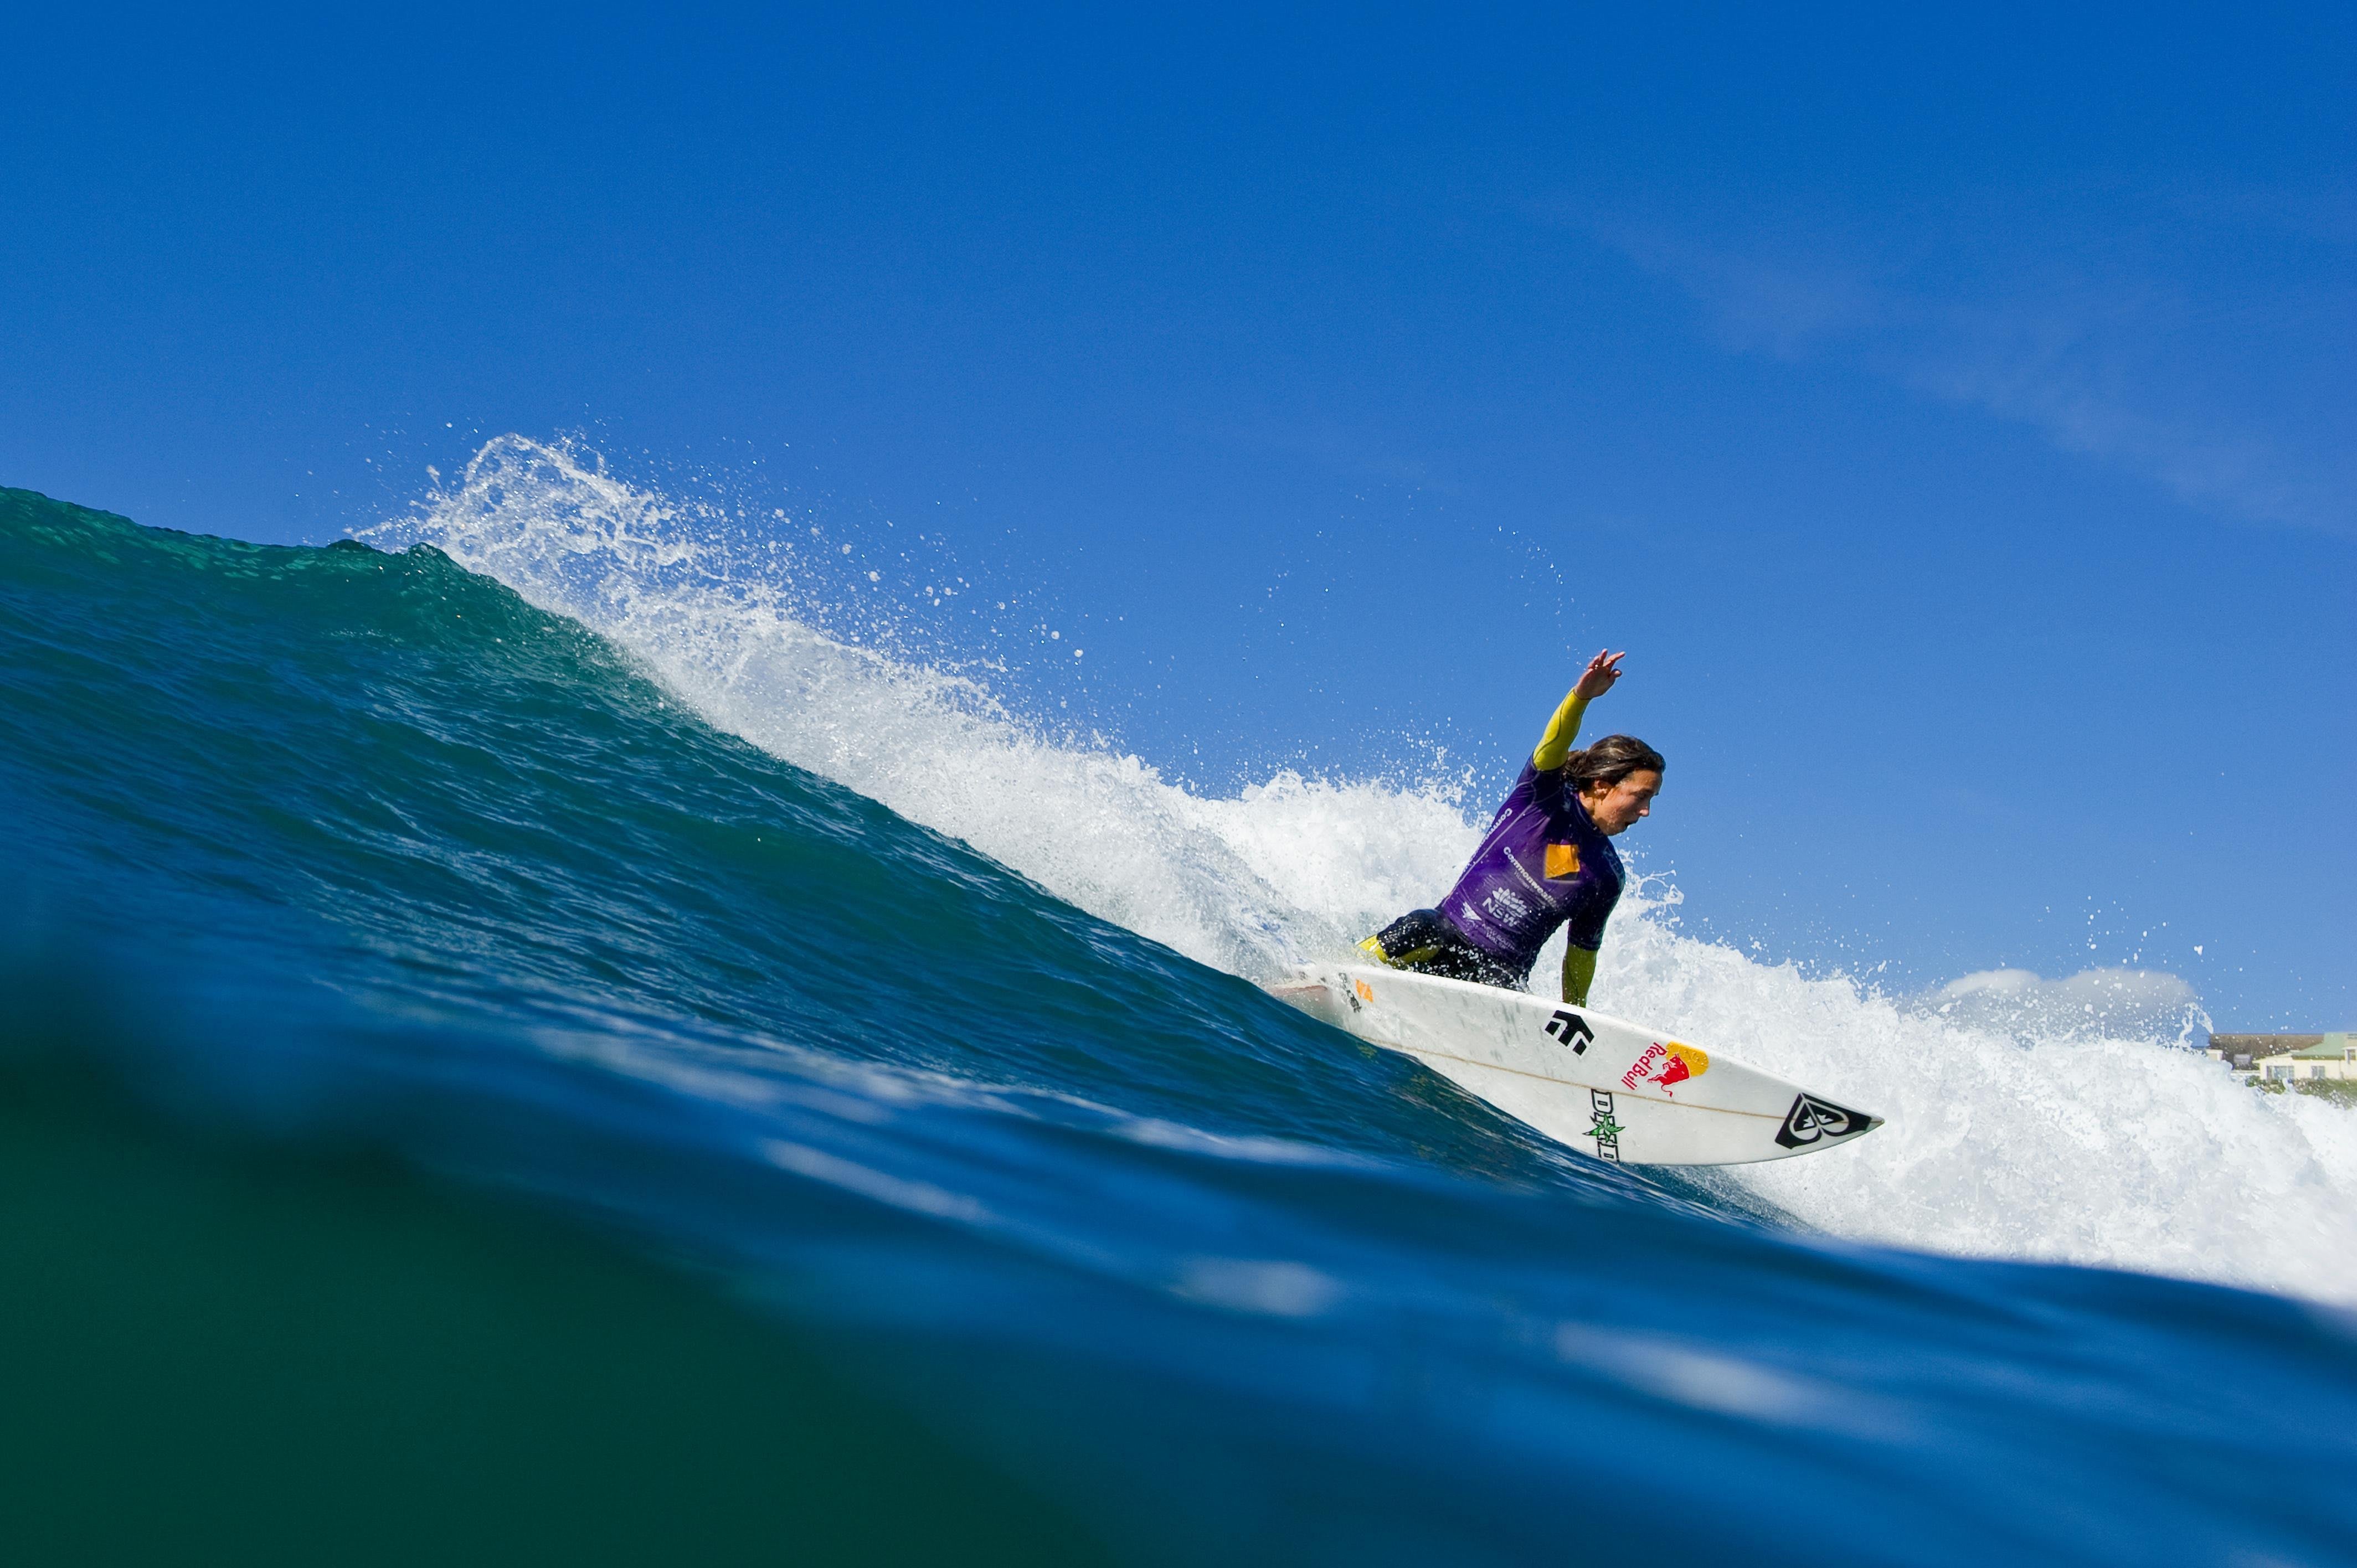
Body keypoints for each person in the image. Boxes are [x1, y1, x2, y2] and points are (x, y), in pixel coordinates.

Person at [1360, 650, 1662, 1007]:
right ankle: (1341, 973)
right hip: (1443, 938)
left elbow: (1580, 957)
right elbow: (1555, 743)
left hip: (1499, 983)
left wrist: (1575, 1014)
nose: (1646, 812)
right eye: (1641, 796)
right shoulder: (1541, 795)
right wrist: (1581, 698)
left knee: (1506, 986)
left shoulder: (1606, 875)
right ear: (1602, 785)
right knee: (1422, 927)